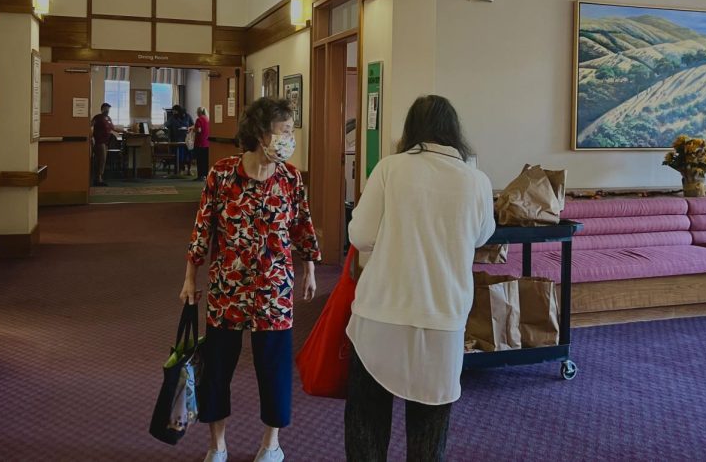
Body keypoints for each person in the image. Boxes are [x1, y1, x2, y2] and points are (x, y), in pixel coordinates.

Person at [344, 95, 496, 462]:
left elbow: (360, 236)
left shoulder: (390, 168)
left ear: (411, 130)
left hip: (381, 314)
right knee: (430, 428)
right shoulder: (476, 180)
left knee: (367, 420)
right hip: (442, 319)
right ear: (453, 132)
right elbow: (481, 236)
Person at [180, 97, 321, 462]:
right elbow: (202, 228)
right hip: (228, 287)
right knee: (217, 369)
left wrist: (310, 266)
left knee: (273, 369)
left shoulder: (290, 177)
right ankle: (217, 445)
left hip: (275, 289)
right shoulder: (222, 174)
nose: (290, 139)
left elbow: (302, 224)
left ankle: (271, 443)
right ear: (261, 133)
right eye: (285, 131)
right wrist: (190, 275)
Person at [90, 103, 123, 186]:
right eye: (106, 109)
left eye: (108, 109)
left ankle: (99, 178)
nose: (107, 111)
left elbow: (114, 128)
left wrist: (125, 131)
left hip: (106, 142)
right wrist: (91, 138)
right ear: (102, 109)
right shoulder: (97, 117)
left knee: (102, 160)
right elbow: (90, 126)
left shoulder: (108, 118)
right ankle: (98, 179)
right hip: (99, 142)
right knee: (101, 160)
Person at [166, 104, 193, 175]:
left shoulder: (187, 116)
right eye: (173, 111)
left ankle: (189, 170)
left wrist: (189, 129)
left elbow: (192, 125)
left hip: (187, 138)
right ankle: (180, 169)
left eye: (174, 111)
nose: (173, 112)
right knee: (180, 155)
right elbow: (166, 125)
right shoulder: (172, 118)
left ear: (179, 111)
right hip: (177, 139)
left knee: (189, 154)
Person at [191, 106, 210, 181]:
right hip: (207, 143)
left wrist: (193, 129)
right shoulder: (207, 119)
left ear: (199, 112)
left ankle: (200, 176)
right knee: (205, 160)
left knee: (199, 160)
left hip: (200, 143)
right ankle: (205, 175)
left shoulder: (199, 119)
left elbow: (199, 130)